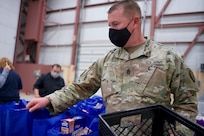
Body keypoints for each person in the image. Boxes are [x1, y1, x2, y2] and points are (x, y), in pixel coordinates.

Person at [27, 0, 198, 123]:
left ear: (135, 22)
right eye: (109, 25)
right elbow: (80, 88)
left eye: (116, 24)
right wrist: (49, 100)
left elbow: (187, 102)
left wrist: (176, 132)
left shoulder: (166, 58)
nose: (112, 31)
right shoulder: (107, 61)